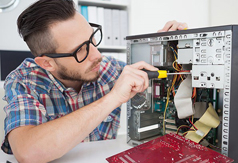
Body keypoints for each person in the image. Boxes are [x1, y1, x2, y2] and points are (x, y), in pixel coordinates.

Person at [1, 0, 188, 162]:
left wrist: (167, 45)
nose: (97, 55)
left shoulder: (109, 69)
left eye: (92, 38)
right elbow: (28, 152)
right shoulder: (23, 81)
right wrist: (113, 98)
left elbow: (150, 74)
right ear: (47, 63)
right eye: (80, 50)